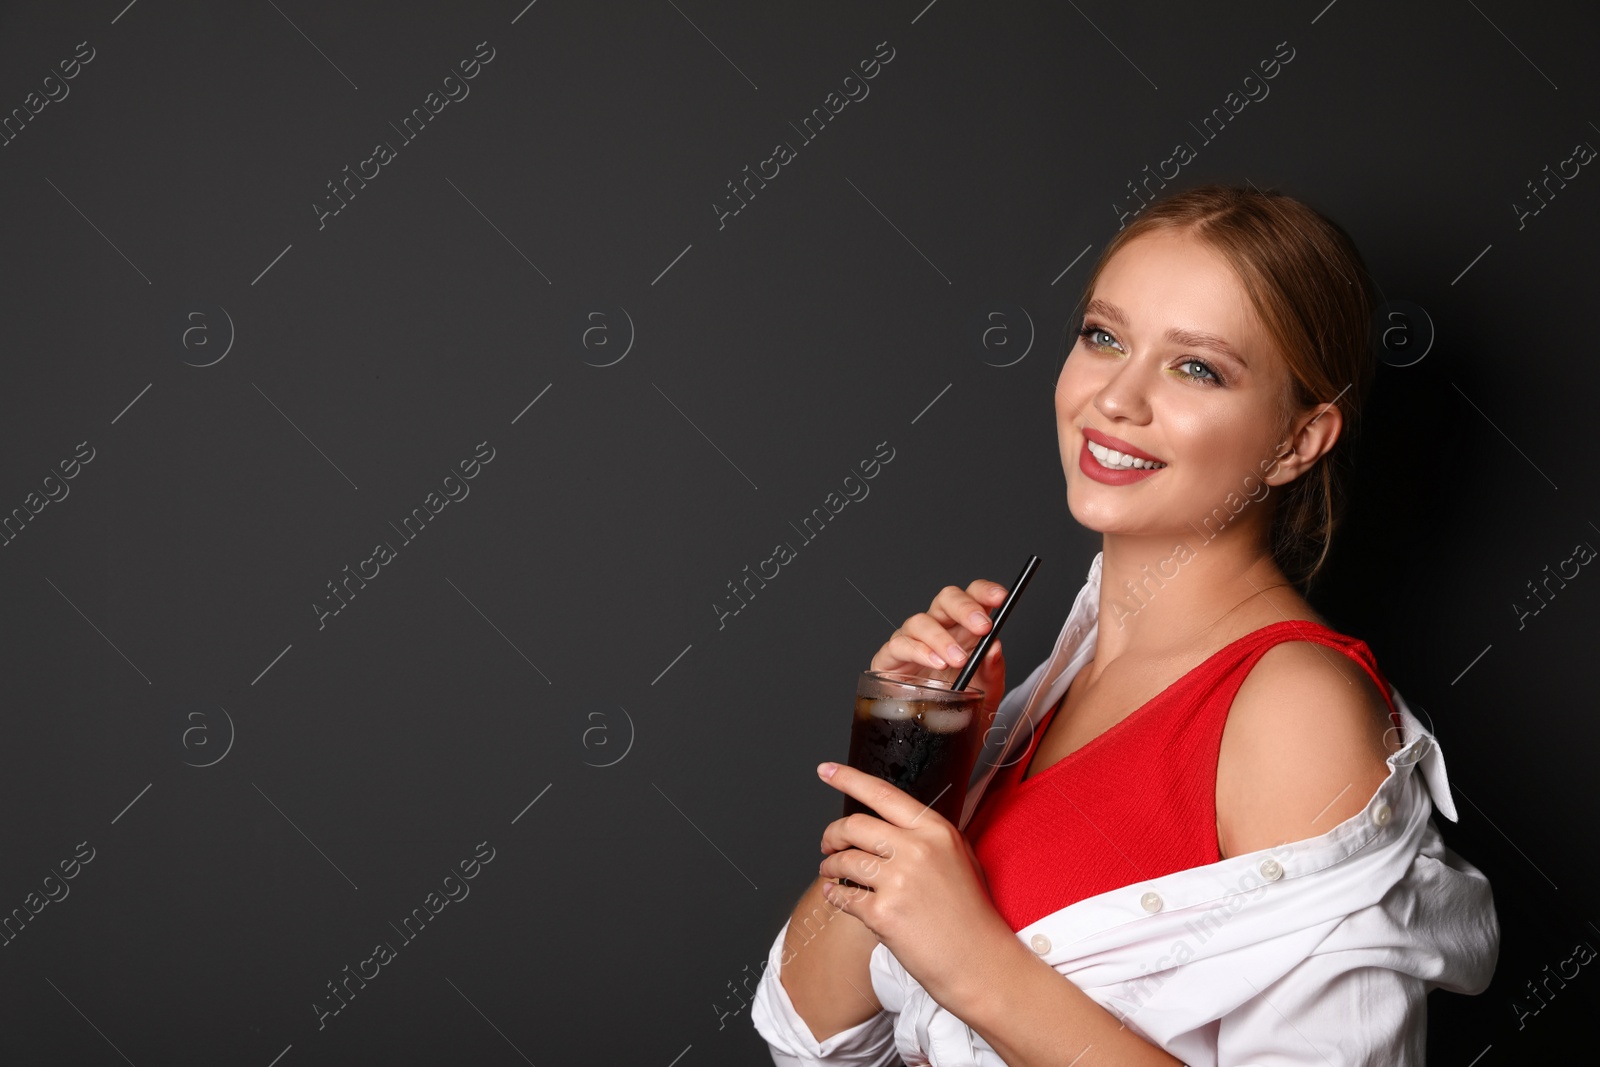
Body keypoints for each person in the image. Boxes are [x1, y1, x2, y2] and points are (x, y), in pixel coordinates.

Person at [749, 183, 1501, 1065]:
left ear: (1300, 440)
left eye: (1196, 367)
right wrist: (926, 768)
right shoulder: (1042, 697)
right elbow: (808, 1029)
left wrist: (978, 963)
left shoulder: (1296, 708)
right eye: (1104, 337)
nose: (1115, 398)